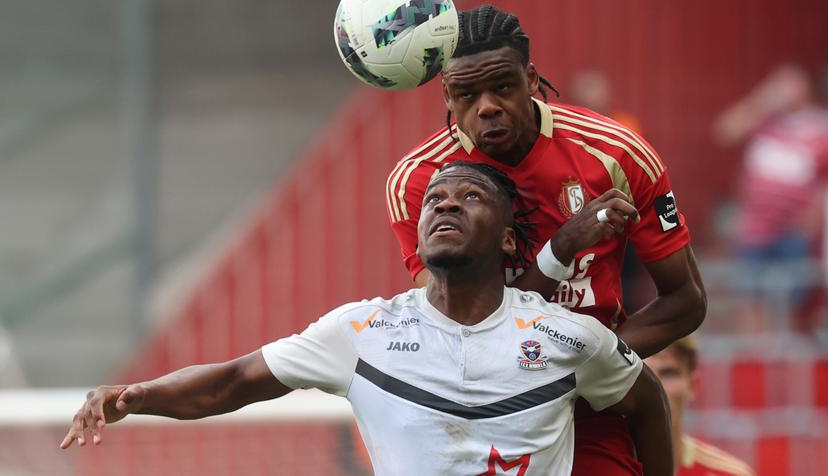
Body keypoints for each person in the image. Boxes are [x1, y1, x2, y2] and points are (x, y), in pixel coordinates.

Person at [61, 162, 673, 476]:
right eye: (434, 199)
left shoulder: (568, 337)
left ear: (511, 242)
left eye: (470, 197)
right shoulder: (363, 332)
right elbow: (232, 380)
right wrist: (135, 396)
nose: (446, 205)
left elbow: (648, 404)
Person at [386, 4, 706, 474]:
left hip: (591, 413)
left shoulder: (615, 153)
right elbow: (458, 334)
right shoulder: (420, 183)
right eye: (466, 94)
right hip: (479, 412)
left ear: (532, 79)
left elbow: (686, 301)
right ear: (446, 97)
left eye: (503, 87)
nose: (487, 106)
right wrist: (563, 247)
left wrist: (587, 368)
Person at [715, 64, 828, 325]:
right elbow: (725, 130)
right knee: (749, 294)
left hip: (795, 228)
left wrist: (815, 215)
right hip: (755, 227)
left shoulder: (818, 125)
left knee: (797, 297)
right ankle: (756, 358)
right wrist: (762, 101)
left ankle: (792, 358)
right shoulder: (762, 119)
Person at [644, 336, 754, 476]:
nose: (656, 388)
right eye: (642, 374)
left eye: (669, 373)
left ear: (693, 385)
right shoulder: (607, 469)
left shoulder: (729, 474)